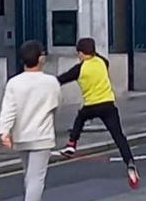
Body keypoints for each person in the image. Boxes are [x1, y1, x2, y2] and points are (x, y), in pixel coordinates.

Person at [0, 40, 62, 201]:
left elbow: (8, 109)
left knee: (29, 175)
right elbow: (56, 105)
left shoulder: (14, 83)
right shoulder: (51, 82)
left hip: (21, 135)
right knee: (36, 177)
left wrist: (4, 131)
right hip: (42, 135)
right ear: (40, 59)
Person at [57, 37, 139, 188]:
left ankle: (71, 143)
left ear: (81, 53)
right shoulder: (102, 62)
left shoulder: (79, 69)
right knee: (119, 136)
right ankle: (129, 162)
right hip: (108, 104)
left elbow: (61, 80)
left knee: (80, 118)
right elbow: (99, 58)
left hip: (91, 105)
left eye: (79, 54)